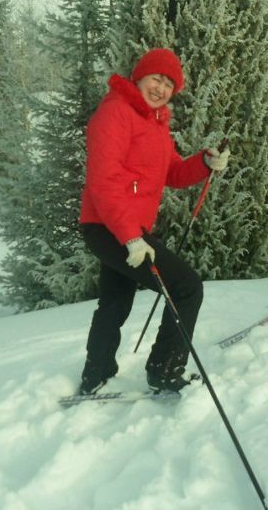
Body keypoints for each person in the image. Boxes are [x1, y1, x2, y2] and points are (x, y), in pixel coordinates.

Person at [77, 48, 230, 395]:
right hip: (111, 226)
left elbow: (172, 172)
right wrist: (131, 237)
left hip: (126, 229)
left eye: (169, 84)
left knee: (115, 302)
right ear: (139, 77)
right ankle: (165, 369)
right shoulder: (115, 113)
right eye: (156, 79)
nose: (161, 89)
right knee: (186, 286)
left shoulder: (154, 124)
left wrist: (204, 162)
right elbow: (104, 181)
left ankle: (96, 374)